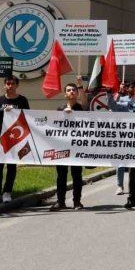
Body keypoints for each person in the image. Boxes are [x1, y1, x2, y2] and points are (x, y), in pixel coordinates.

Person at [0, 75, 30, 206]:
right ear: (4, 85)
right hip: (0, 137)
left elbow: (28, 117)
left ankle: (7, 192)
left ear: (17, 85)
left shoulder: (22, 100)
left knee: (11, 165)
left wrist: (15, 112)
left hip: (15, 138)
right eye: (8, 83)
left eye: (12, 84)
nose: (10, 86)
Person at [50, 81, 86, 211]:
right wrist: (63, 115)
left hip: (76, 147)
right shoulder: (60, 109)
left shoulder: (81, 108)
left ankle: (77, 201)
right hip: (62, 147)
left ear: (77, 93)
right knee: (61, 176)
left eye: (74, 90)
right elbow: (53, 125)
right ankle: (60, 202)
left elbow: (86, 103)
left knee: (76, 175)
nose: (71, 92)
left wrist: (80, 86)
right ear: (65, 94)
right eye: (69, 90)